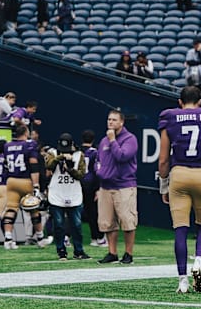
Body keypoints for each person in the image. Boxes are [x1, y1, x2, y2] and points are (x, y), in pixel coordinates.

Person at [158, 86, 201, 293]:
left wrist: (164, 185)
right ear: (200, 102)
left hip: (179, 173)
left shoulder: (170, 117)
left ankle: (182, 280)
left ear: (180, 102)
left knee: (180, 228)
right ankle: (198, 261)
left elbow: (163, 159)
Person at [96, 109, 138, 265]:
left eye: (114, 120)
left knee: (127, 221)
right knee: (107, 222)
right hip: (106, 186)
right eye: (109, 119)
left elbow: (122, 156)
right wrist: (99, 171)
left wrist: (113, 141)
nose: (110, 122)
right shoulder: (103, 141)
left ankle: (128, 253)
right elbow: (98, 160)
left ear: (122, 122)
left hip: (124, 185)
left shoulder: (130, 139)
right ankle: (112, 252)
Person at [44, 133, 90, 260]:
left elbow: (81, 175)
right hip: (57, 192)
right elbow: (48, 166)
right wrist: (60, 157)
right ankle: (61, 251)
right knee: (58, 224)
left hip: (73, 192)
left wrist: (70, 168)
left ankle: (79, 251)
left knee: (76, 224)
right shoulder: (52, 152)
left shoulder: (79, 155)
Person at [2, 125, 45, 250]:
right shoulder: (29, 145)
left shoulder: (7, 145)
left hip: (11, 181)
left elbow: (6, 164)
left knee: (11, 209)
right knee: (33, 209)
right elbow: (33, 165)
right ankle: (40, 238)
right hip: (25, 180)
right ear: (26, 132)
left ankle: (8, 239)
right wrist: (36, 185)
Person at [80, 129, 107, 247]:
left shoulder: (77, 151)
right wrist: (98, 188)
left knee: (73, 211)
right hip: (90, 184)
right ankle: (97, 237)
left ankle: (67, 236)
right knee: (93, 213)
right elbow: (97, 170)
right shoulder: (95, 153)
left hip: (77, 183)